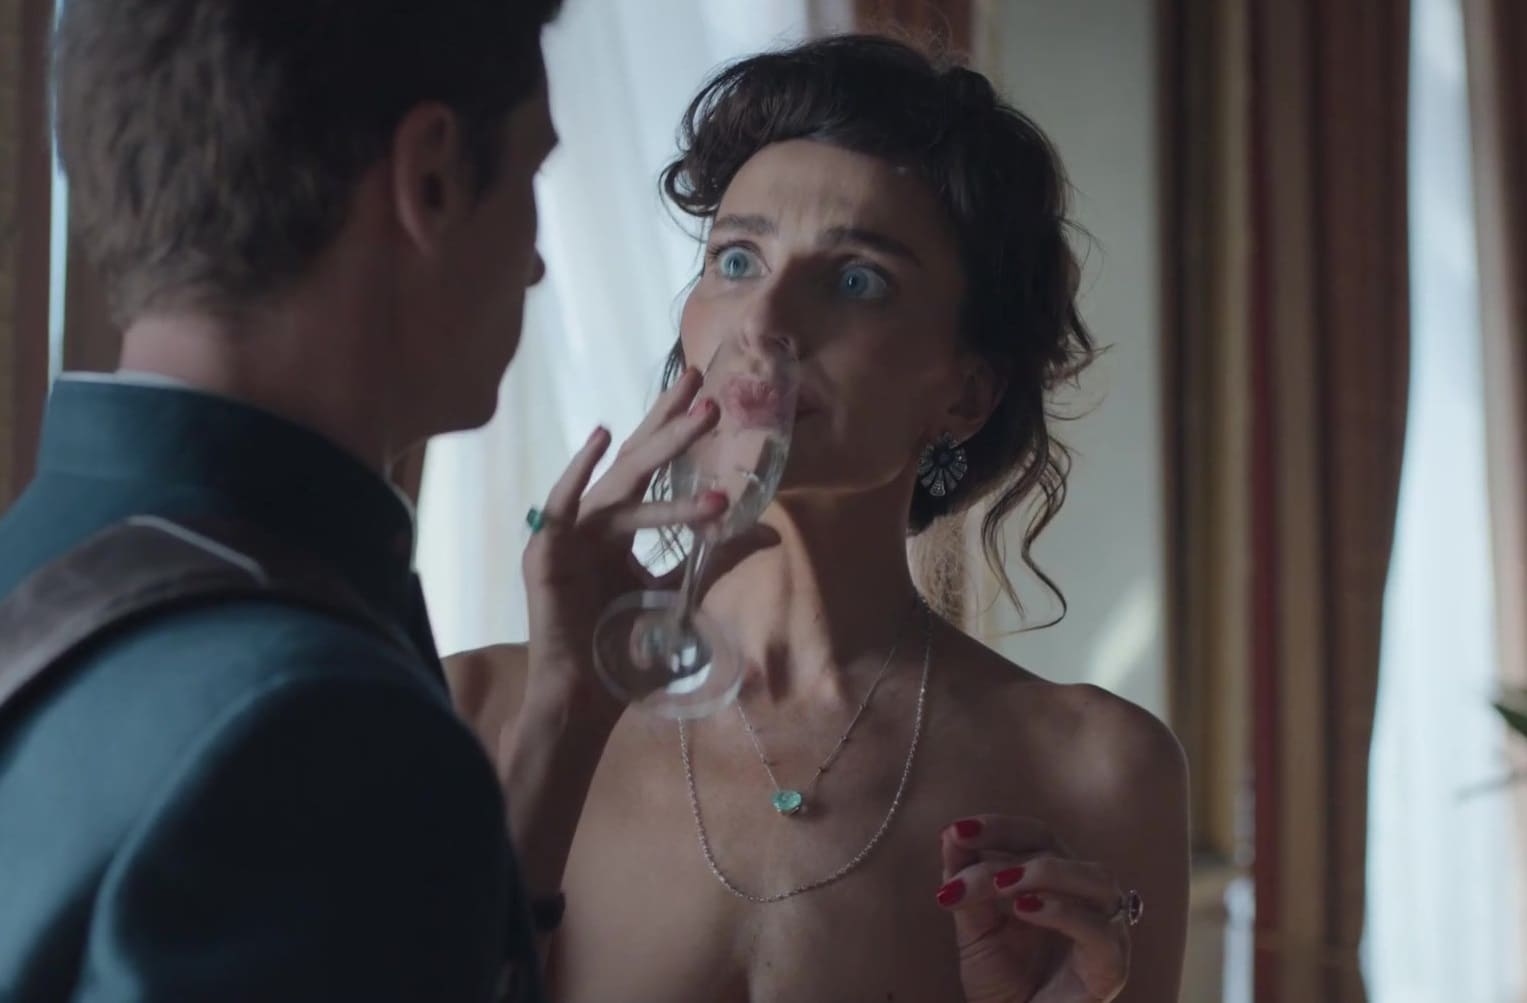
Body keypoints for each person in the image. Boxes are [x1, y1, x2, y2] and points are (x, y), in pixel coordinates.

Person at [448, 34, 1191, 1003]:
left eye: (855, 280)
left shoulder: (1096, 770)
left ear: (966, 390)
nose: (763, 322)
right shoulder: (472, 711)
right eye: (737, 258)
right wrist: (561, 725)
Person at [0, 1, 718, 999]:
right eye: (532, 173)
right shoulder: (315, 728)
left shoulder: (37, 558)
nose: (537, 262)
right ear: (431, 177)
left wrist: (559, 717)